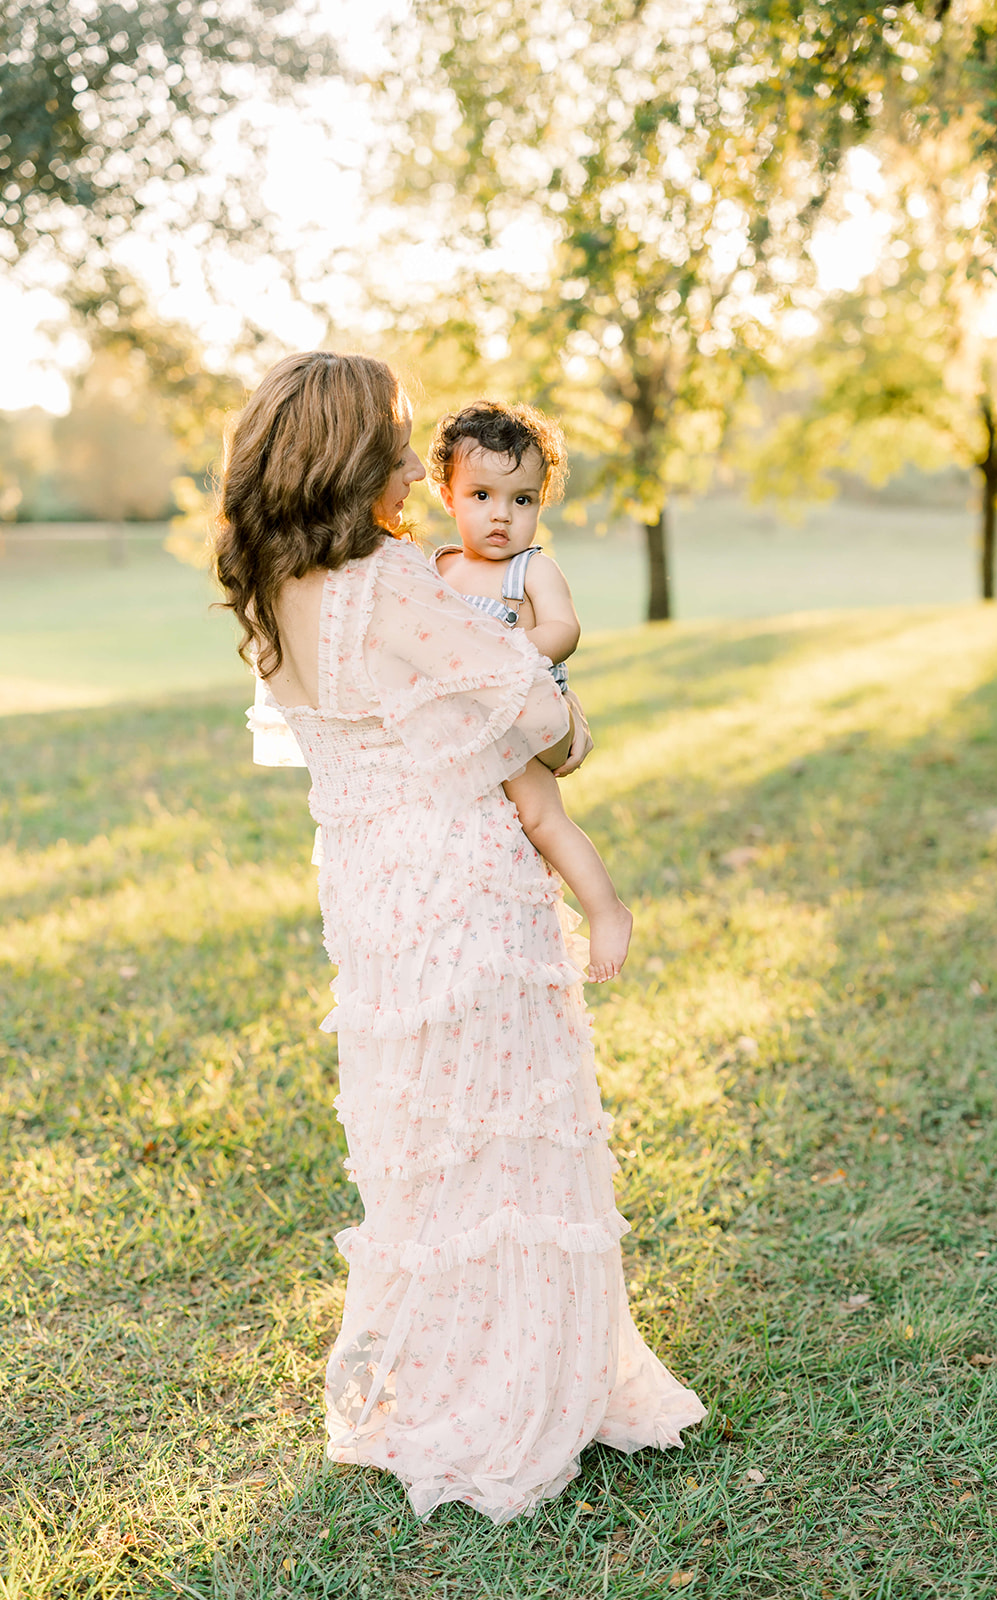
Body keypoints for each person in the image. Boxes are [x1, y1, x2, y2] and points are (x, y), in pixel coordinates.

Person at [215, 350, 705, 1525]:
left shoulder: (271, 584)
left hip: (371, 894)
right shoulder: (386, 578)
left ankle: (440, 1369)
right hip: (464, 879)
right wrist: (566, 722)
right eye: (391, 430)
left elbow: (360, 724)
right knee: (510, 1131)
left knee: (423, 1142)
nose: (404, 448)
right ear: (348, 452)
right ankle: (513, 1388)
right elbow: (538, 717)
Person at [428, 400, 632, 982]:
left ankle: (607, 910)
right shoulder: (436, 569)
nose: (503, 517)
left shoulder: (532, 569)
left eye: (523, 501)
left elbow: (564, 630)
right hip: (462, 725)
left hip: (521, 714)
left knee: (541, 817)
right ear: (448, 496)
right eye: (482, 496)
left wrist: (510, 657)